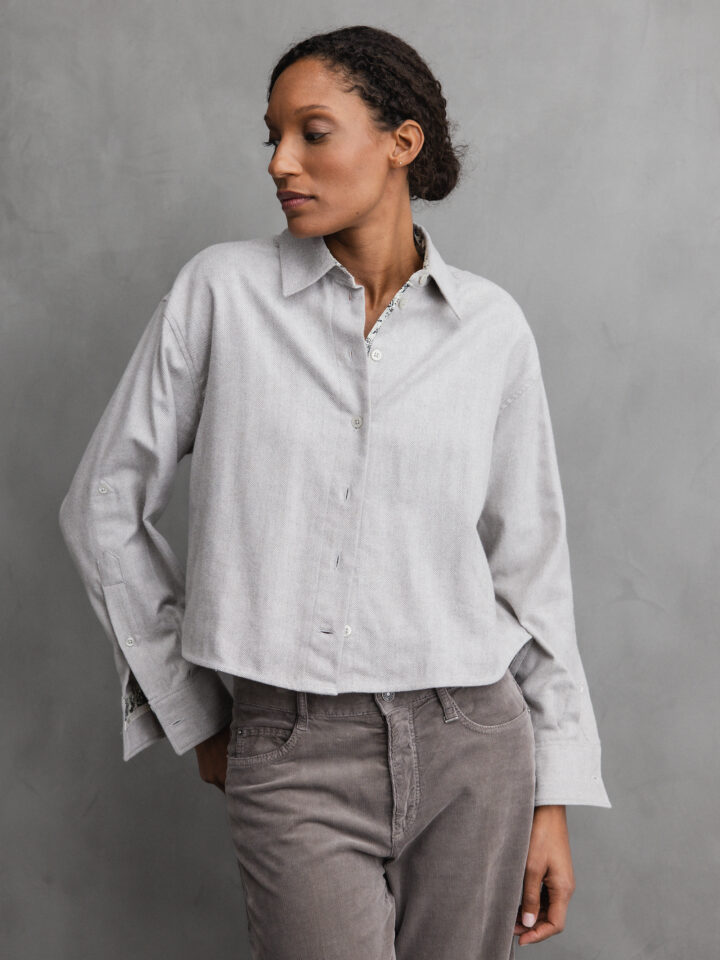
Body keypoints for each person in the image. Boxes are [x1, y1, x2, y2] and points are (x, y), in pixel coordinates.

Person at [58, 24, 611, 960]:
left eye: (312, 133)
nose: (280, 161)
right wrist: (193, 709)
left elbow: (530, 567)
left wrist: (551, 791)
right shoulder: (221, 295)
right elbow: (102, 507)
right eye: (272, 136)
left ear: (402, 142)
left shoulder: (491, 329)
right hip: (291, 747)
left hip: (475, 742)